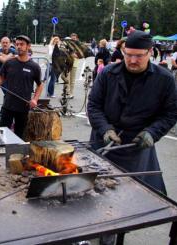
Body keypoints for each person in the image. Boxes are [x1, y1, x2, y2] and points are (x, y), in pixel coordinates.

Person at [88, 30, 177, 245]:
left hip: (137, 146)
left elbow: (171, 113)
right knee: (97, 197)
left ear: (150, 53)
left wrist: (152, 132)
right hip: (104, 142)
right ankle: (100, 236)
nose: (132, 60)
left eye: (139, 55)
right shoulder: (108, 73)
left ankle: (118, 236)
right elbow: (94, 106)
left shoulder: (164, 79)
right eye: (128, 54)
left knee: (129, 201)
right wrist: (105, 129)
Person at [0, 35, 43, 139]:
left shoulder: (34, 66)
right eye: (17, 44)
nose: (19, 47)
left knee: (19, 136)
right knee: (1, 134)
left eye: (22, 44)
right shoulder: (9, 63)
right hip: (8, 105)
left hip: (23, 106)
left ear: (28, 46)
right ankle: (5, 154)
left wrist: (35, 99)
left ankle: (17, 154)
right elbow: (1, 78)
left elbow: (40, 85)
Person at [66, 33, 80, 99]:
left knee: (72, 80)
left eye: (74, 38)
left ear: (76, 38)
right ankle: (67, 92)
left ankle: (71, 93)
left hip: (75, 64)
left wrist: (77, 55)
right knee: (67, 79)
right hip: (68, 64)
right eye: (72, 38)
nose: (73, 39)